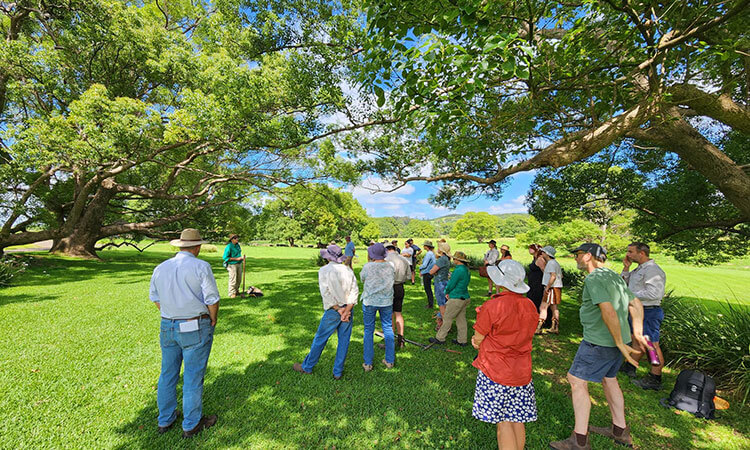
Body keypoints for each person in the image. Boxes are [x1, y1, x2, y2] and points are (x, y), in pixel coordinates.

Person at [549, 243, 648, 450]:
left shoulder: (594, 278)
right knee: (609, 379)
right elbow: (636, 304)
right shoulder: (613, 276)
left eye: (577, 255)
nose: (575, 258)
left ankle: (579, 441)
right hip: (617, 342)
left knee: (576, 380)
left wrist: (621, 341)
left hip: (599, 342)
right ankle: (620, 431)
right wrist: (635, 334)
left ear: (588, 256)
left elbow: (608, 310)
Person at [150, 228, 220, 438]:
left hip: (168, 325)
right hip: (194, 325)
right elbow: (212, 299)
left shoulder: (161, 267)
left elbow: (154, 297)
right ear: (197, 247)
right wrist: (213, 318)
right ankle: (191, 424)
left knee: (168, 374)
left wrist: (172, 312)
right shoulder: (201, 266)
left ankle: (165, 419)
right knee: (192, 376)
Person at [472, 260, 539, 450]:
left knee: (503, 422)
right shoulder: (529, 305)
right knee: (517, 419)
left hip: (496, 370)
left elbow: (478, 338)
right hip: (521, 371)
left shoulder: (493, 306)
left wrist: (476, 342)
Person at [293, 244, 358, 380]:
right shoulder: (348, 270)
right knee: (344, 341)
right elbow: (354, 292)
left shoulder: (324, 271)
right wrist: (346, 310)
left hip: (334, 311)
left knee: (320, 338)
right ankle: (337, 372)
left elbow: (326, 293)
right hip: (347, 310)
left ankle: (307, 367)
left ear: (328, 257)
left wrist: (340, 310)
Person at [619, 242, 667, 390]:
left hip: (649, 312)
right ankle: (630, 367)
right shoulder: (638, 269)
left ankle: (655, 377)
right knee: (637, 340)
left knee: (651, 345)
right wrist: (626, 268)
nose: (628, 254)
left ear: (642, 253)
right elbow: (625, 284)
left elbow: (654, 294)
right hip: (638, 310)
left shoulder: (653, 271)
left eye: (631, 252)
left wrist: (629, 296)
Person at [360, 243, 396, 370]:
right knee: (388, 328)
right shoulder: (390, 265)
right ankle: (389, 360)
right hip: (386, 301)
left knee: (368, 330)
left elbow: (362, 279)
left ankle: (368, 363)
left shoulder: (368, 266)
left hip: (370, 301)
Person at [430, 251, 471, 346]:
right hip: (465, 297)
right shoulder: (466, 269)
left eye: (454, 258)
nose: (453, 260)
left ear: (458, 260)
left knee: (447, 318)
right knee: (461, 320)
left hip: (456, 297)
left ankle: (440, 338)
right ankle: (462, 340)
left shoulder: (458, 270)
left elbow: (451, 283)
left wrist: (447, 292)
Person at [385, 243, 411, 349]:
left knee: (389, 314)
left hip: (389, 287)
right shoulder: (403, 259)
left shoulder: (385, 260)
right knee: (398, 313)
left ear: (386, 250)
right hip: (400, 287)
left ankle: (390, 342)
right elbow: (409, 276)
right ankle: (400, 340)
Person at [537, 246, 563, 335]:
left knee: (543, 307)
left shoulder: (551, 263)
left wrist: (547, 287)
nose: (542, 254)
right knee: (554, 307)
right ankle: (554, 327)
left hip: (552, 288)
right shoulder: (555, 263)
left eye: (543, 252)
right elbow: (561, 276)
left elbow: (553, 276)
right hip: (557, 287)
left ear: (547, 254)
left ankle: (539, 328)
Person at [429, 241, 452, 330]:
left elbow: (432, 271)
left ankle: (445, 327)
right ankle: (443, 323)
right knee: (445, 304)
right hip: (445, 281)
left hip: (440, 283)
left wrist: (432, 271)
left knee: (442, 305)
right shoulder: (447, 259)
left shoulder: (442, 259)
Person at [222, 234, 245, 298]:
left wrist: (242, 258)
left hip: (239, 263)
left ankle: (236, 290)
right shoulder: (229, 247)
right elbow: (225, 257)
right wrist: (236, 259)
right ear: (232, 240)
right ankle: (232, 293)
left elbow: (238, 254)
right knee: (233, 279)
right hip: (232, 264)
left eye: (237, 238)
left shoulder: (237, 245)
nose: (237, 239)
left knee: (239, 278)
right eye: (235, 238)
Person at [526, 244, 545, 312]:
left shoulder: (540, 259)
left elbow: (544, 271)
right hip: (533, 282)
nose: (529, 250)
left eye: (531, 248)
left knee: (536, 298)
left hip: (538, 282)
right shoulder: (535, 258)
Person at [419, 240, 437, 309]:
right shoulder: (432, 253)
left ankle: (430, 304)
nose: (423, 246)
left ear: (426, 247)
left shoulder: (429, 254)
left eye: (424, 245)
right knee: (428, 288)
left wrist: (420, 269)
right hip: (430, 272)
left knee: (427, 289)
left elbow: (424, 265)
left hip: (427, 273)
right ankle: (430, 303)